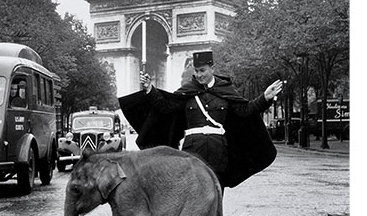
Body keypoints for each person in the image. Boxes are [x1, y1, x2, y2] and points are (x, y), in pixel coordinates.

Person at [119, 51, 283, 189]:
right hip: (193, 149)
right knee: (192, 196)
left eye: (202, 70)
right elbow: (166, 107)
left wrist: (265, 98)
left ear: (212, 68)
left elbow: (245, 110)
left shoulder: (226, 90)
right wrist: (150, 90)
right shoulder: (187, 91)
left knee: (216, 196)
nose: (199, 75)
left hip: (218, 151)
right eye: (196, 71)